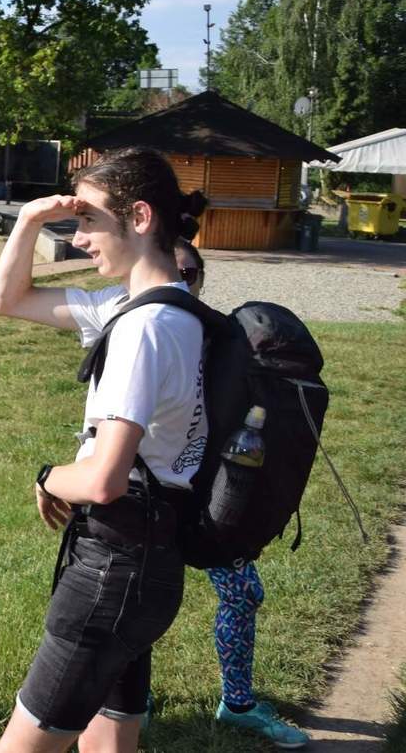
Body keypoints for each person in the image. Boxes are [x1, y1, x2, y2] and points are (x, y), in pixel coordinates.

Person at [0, 146, 209, 753]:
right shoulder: (169, 310)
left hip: (112, 568)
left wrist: (49, 476)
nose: (78, 237)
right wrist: (30, 219)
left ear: (140, 217)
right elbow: (6, 300)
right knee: (110, 742)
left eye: (88, 220)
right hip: (149, 561)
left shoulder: (142, 328)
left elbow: (104, 478)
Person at [173, 239, 309, 749]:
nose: (182, 282)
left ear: (201, 278)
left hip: (211, 492)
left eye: (190, 273)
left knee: (243, 593)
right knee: (143, 600)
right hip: (152, 490)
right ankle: (127, 702)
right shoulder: (146, 328)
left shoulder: (223, 336)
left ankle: (237, 701)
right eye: (173, 271)